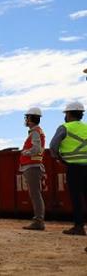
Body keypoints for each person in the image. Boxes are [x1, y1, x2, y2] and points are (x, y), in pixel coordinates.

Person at [50, 101, 87, 236]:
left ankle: (79, 226)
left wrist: (59, 158)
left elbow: (53, 146)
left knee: (76, 197)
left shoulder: (64, 127)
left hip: (74, 167)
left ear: (69, 114)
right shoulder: (86, 128)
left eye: (66, 113)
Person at [19, 107, 46, 231]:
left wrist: (25, 152)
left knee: (35, 195)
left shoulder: (35, 132)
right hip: (33, 166)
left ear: (30, 118)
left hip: (32, 167)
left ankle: (38, 221)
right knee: (35, 194)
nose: (26, 119)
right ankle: (38, 220)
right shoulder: (36, 131)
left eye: (27, 117)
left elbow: (36, 149)